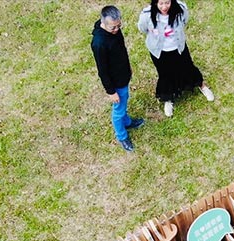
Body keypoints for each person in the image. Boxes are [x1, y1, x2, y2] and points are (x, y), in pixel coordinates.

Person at [137, 0, 214, 118]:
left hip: (178, 48)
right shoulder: (147, 15)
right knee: (165, 75)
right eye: (161, 3)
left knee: (188, 68)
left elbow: (185, 21)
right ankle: (168, 99)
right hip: (159, 52)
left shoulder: (181, 10)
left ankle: (202, 86)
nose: (164, 7)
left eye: (167, 3)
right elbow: (142, 28)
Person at [91, 6, 145, 153]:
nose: (116, 30)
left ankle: (127, 122)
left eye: (118, 26)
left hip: (123, 75)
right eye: (112, 27)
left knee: (124, 101)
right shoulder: (99, 44)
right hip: (116, 83)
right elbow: (102, 71)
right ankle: (122, 136)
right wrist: (111, 91)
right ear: (103, 23)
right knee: (118, 110)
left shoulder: (114, 30)